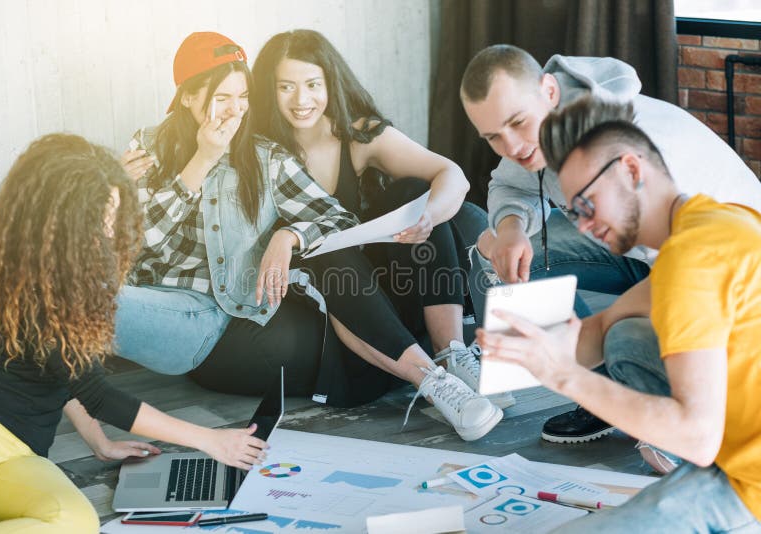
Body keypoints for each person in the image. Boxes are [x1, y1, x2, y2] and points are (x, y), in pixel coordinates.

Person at [118, 32, 501, 441]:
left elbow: (336, 221)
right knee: (75, 298)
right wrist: (201, 159)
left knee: (453, 216)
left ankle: (447, 365)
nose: (235, 110)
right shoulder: (148, 148)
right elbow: (143, 244)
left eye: (242, 97)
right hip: (174, 302)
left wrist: (291, 234)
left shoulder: (265, 155)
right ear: (189, 98)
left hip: (263, 301)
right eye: (222, 98)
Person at [476, 96, 761, 532]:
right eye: (574, 212)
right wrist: (525, 355)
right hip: (734, 445)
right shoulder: (712, 221)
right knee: (626, 337)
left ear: (631, 169)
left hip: (747, 483)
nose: (584, 226)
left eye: (588, 206)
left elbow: (699, 438)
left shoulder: (691, 259)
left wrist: (565, 376)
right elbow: (606, 325)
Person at [0, 134, 268, 533]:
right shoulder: (32, 284)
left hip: (18, 456)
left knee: (72, 522)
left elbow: (64, 376)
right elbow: (99, 395)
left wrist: (99, 443)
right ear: (60, 219)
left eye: (113, 214)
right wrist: (210, 440)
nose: (109, 228)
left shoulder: (63, 281)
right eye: (99, 215)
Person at [460, 44, 761, 445]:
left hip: (720, 283)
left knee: (625, 340)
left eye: (517, 123)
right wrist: (510, 230)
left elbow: (689, 286)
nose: (512, 147)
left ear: (549, 92)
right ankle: (607, 398)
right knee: (507, 250)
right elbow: (509, 183)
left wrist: (665, 422)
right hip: (647, 257)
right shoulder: (540, 133)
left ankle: (665, 408)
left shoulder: (646, 150)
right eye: (493, 137)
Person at [250, 29, 512, 409]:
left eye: (312, 84)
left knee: (413, 194)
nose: (301, 100)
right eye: (286, 87)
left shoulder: (357, 135)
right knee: (325, 254)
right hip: (328, 291)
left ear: (330, 83)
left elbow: (452, 175)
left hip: (387, 281)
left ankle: (451, 355)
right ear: (269, 91)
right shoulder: (258, 149)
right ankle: (429, 377)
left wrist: (428, 217)